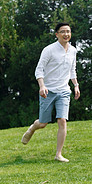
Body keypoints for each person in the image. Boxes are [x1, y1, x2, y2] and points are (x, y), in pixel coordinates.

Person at [21, 22, 80, 163]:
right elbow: (39, 69)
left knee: (62, 121)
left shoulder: (73, 51)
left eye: (68, 31)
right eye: (63, 32)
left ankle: (58, 154)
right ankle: (31, 129)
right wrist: (42, 86)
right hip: (48, 90)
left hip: (64, 91)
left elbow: (73, 70)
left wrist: (76, 86)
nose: (66, 34)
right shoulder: (49, 50)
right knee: (43, 123)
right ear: (57, 34)